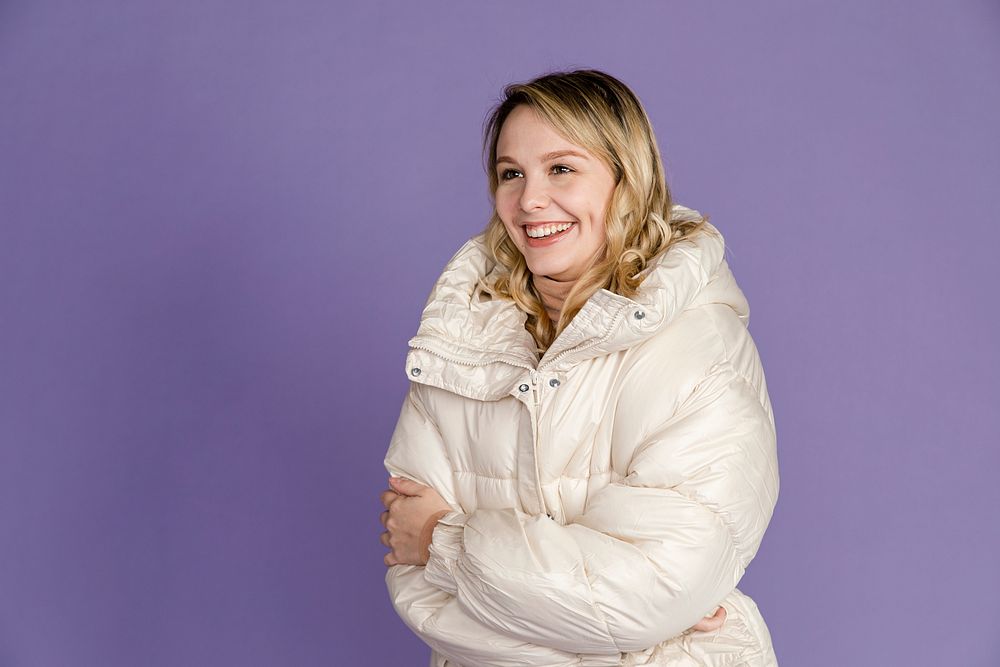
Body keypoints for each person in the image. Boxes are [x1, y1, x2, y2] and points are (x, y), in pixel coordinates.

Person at [378, 69, 779, 666]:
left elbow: (647, 593)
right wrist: (627, 628)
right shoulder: (458, 342)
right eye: (511, 173)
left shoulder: (698, 347)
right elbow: (417, 591)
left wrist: (444, 542)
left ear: (627, 180)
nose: (530, 200)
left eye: (561, 168)